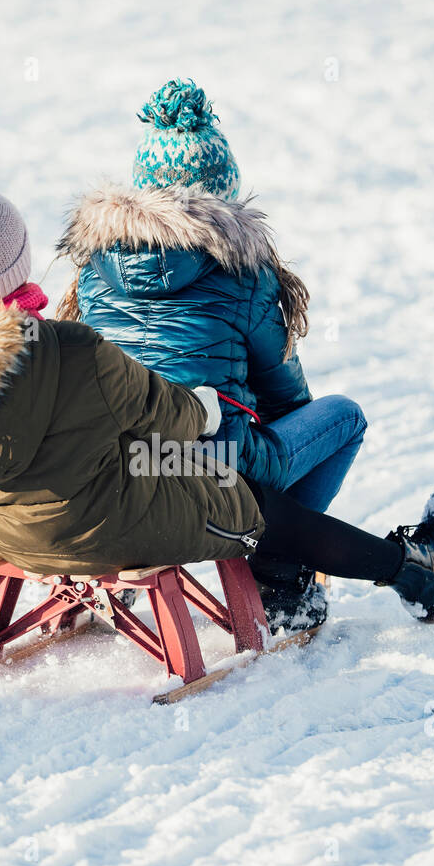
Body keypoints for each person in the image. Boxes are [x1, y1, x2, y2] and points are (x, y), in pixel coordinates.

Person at [0, 174, 434, 634]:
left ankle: (373, 570)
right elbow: (170, 414)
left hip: (19, 537)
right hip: (115, 525)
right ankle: (411, 569)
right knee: (239, 492)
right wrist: (206, 407)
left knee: (179, 471)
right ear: (14, 258)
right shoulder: (64, 348)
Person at [56, 78, 367, 630]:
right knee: (341, 418)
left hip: (116, 463)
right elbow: (285, 394)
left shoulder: (91, 272)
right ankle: (279, 570)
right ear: (222, 197)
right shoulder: (244, 274)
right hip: (210, 463)